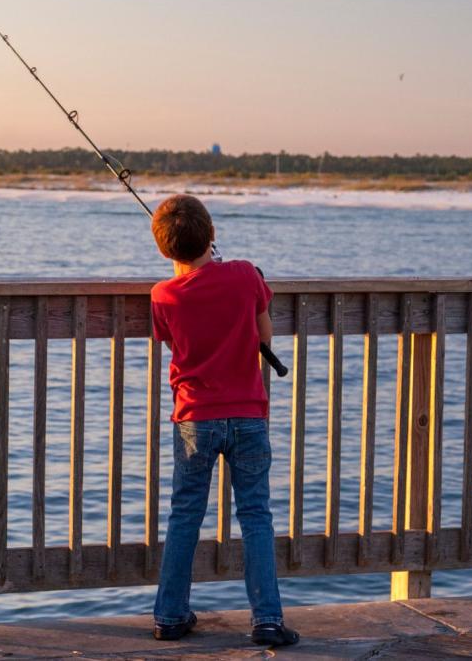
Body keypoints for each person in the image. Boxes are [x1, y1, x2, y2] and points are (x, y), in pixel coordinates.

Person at [149, 194, 299, 647]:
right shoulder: (245, 274)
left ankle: (171, 617)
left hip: (195, 417)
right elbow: (263, 331)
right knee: (256, 516)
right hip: (249, 415)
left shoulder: (162, 295)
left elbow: (173, 340)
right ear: (211, 236)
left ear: (164, 249)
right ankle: (267, 620)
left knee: (185, 516)